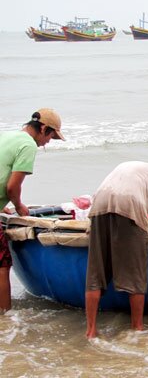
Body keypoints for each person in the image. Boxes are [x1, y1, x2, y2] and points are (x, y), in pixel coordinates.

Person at [85, 160, 148, 338]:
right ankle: (137, 327)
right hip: (129, 201)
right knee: (135, 272)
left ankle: (91, 330)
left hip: (99, 202)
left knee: (96, 271)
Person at [0, 108, 65, 312]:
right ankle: (5, 319)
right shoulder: (28, 144)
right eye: (51, 136)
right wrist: (18, 206)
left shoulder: (9, 136)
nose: (48, 142)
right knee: (2, 266)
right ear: (43, 128)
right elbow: (12, 186)